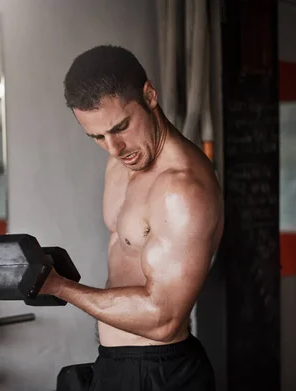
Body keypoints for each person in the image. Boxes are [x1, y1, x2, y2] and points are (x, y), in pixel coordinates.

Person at [40, 45, 224, 390]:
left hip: (160, 371)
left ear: (150, 96)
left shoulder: (183, 188)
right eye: (96, 136)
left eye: (121, 127)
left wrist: (59, 287)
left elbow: (164, 319)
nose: (114, 148)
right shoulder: (120, 159)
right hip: (116, 361)